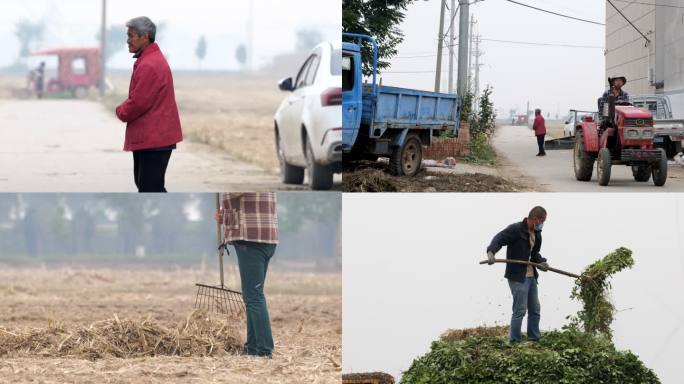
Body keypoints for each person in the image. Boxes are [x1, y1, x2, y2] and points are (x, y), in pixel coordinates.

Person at [115, 16, 183, 193]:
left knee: (150, 188)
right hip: (153, 137)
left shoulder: (149, 65)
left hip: (154, 138)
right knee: (147, 186)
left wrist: (120, 111)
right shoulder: (149, 60)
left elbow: (138, 103)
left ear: (144, 36)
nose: (127, 40)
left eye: (131, 36)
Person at [215, 192, 278, 358]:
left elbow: (236, 189)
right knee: (252, 296)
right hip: (265, 236)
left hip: (250, 237)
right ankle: (252, 347)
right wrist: (226, 214)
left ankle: (264, 349)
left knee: (254, 297)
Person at [486, 206, 550, 343]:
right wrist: (491, 252)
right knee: (520, 309)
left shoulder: (537, 234)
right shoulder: (516, 229)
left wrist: (542, 262)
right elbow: (499, 238)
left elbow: (534, 254)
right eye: (542, 220)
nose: (542, 224)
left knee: (535, 308)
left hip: (531, 275)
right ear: (535, 219)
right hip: (517, 276)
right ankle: (515, 341)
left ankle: (534, 338)